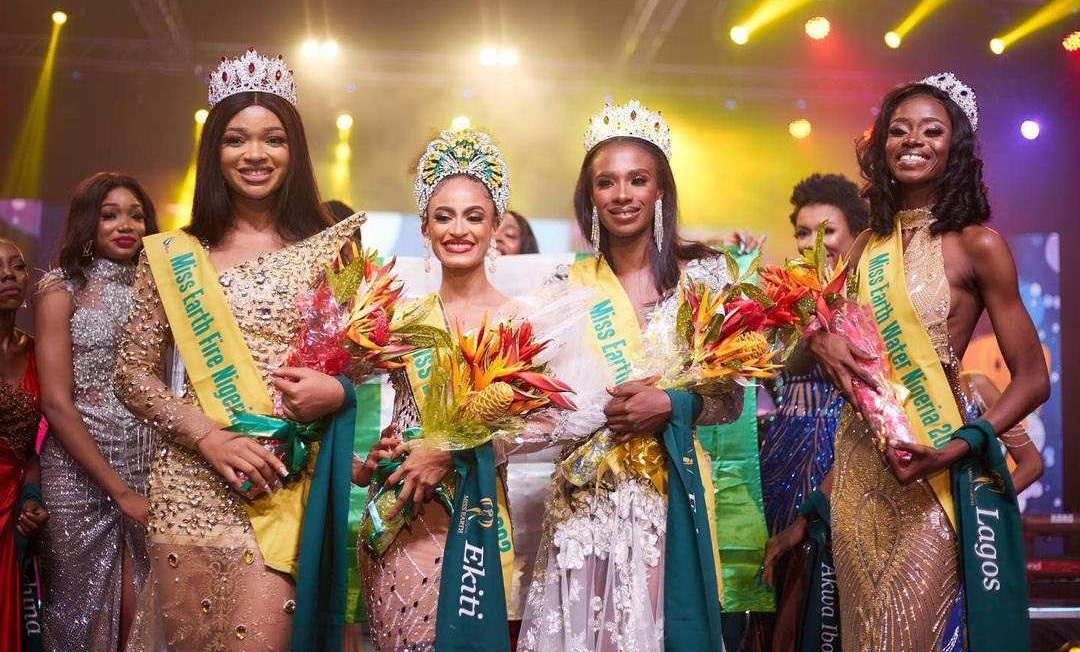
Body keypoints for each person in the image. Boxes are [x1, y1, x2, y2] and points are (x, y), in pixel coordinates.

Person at [768, 73, 1049, 651]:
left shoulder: (978, 245)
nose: (913, 140)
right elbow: (834, 365)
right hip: (857, 474)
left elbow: (1033, 378)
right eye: (899, 130)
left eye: (931, 130)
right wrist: (819, 340)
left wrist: (961, 445)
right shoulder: (864, 248)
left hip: (933, 469)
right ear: (882, 147)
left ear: (955, 146)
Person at [114, 48, 365, 651]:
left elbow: (361, 363)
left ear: (295, 151)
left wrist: (338, 391)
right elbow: (131, 373)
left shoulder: (332, 249)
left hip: (281, 488)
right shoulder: (173, 254)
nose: (255, 154)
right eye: (236, 140)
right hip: (189, 489)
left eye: (273, 139)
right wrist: (208, 435)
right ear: (214, 152)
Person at [521, 99, 744, 652]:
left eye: (638, 180)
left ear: (660, 189)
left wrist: (671, 405)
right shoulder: (564, 285)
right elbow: (535, 403)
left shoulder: (703, 278)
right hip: (584, 497)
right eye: (607, 182)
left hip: (668, 491)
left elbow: (730, 402)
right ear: (590, 195)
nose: (622, 194)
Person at [356, 127, 588, 651]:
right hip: (401, 512)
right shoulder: (401, 318)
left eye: (473, 217)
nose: (458, 230)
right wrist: (362, 464)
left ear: (495, 226)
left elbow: (547, 424)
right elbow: (337, 393)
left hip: (477, 513)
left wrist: (452, 449)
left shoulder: (521, 322)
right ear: (425, 227)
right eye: (444, 217)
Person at [34, 173, 158, 651]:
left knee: (144, 608)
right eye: (110, 215)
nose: (125, 225)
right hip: (77, 468)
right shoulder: (59, 289)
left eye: (136, 215)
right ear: (89, 222)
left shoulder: (162, 289)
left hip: (147, 462)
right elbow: (55, 402)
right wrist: (120, 492)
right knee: (78, 612)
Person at [753, 174, 868, 647]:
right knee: (774, 585)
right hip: (779, 458)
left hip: (842, 456)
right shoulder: (787, 302)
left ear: (856, 235)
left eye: (826, 231)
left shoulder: (870, 300)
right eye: (802, 232)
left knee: (826, 590)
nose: (810, 243)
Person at [0, 238, 45, 652]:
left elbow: (30, 447)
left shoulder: (37, 352)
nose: (8, 276)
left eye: (17, 266)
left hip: (11, 508)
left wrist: (32, 497)